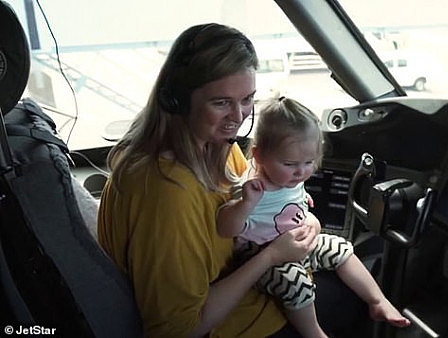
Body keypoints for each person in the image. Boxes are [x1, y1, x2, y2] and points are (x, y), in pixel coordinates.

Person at [97, 23, 367, 338]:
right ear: (178, 101)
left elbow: (268, 204)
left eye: (247, 99)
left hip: (253, 287)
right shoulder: (167, 191)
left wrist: (308, 224)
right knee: (352, 295)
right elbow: (178, 330)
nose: (238, 117)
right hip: (228, 326)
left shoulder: (217, 147)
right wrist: (272, 256)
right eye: (221, 102)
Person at [216, 97, 411, 338]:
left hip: (296, 242)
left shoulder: (288, 177)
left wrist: (307, 214)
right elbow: (226, 228)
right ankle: (314, 333)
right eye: (289, 163)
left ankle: (377, 300)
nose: (301, 172)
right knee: (295, 281)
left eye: (309, 162)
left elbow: (294, 200)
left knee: (341, 248)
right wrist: (245, 206)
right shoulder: (252, 188)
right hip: (259, 256)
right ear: (258, 156)